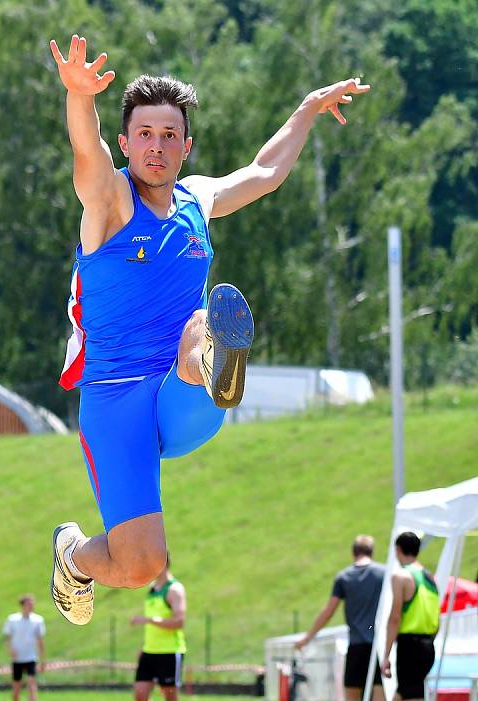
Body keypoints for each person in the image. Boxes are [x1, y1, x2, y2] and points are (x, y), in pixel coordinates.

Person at [48, 33, 370, 625]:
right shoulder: (110, 201)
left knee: (199, 321)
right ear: (126, 142)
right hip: (115, 400)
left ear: (186, 147)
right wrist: (78, 95)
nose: (157, 146)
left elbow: (266, 171)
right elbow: (86, 151)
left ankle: (215, 361)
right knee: (142, 565)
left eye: (170, 135)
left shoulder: (199, 198)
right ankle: (74, 557)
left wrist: (306, 110)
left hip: (180, 391)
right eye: (144, 134)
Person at [296, 535, 386, 701]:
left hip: (356, 646)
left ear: (353, 552)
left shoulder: (344, 577)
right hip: (378, 645)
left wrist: (308, 637)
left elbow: (329, 611)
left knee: (352, 698)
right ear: (372, 552)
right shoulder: (383, 573)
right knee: (379, 697)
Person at [381, 531, 447, 701]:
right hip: (427, 644)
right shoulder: (429, 577)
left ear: (398, 550)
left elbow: (395, 617)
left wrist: (386, 654)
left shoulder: (401, 576)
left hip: (409, 646)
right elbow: (436, 617)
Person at [131, 553, 186, 701]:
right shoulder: (152, 589)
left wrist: (149, 619)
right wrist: (143, 647)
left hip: (169, 653)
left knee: (170, 698)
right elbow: (152, 628)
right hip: (149, 652)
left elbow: (179, 621)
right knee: (140, 695)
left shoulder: (174, 590)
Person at [3, 594, 46, 701]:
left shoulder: (38, 620)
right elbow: (8, 638)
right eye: (28, 604)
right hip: (17, 659)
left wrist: (43, 660)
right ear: (22, 605)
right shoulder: (12, 619)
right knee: (16, 688)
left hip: (31, 658)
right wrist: (10, 650)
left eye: (32, 604)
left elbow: (40, 641)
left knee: (32, 686)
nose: (31, 606)